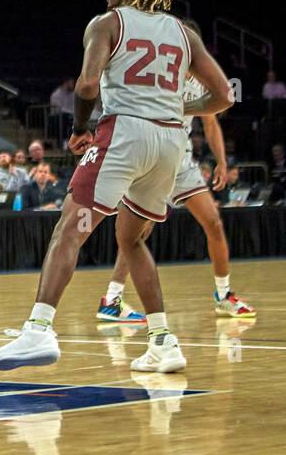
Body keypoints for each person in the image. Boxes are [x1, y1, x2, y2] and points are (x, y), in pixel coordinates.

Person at [0, 0, 232, 374]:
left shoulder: (107, 22)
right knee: (131, 240)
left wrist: (80, 127)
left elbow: (87, 84)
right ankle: (164, 341)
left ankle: (39, 328)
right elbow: (223, 95)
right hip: (169, 143)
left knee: (70, 228)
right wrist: (178, 105)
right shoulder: (185, 34)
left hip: (124, 135)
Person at [100, 23, 256, 322]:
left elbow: (211, 124)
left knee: (214, 222)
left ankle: (223, 295)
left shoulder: (201, 78)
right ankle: (112, 299)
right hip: (153, 155)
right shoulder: (154, 72)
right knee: (138, 232)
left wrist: (222, 162)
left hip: (181, 160)